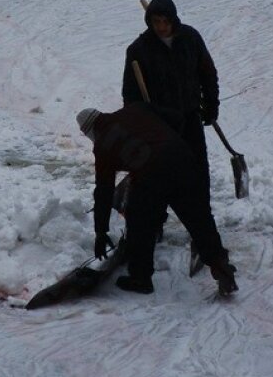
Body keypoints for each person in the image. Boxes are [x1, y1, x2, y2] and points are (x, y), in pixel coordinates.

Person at [76, 104, 237, 296]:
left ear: (89, 130)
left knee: (139, 220)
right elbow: (174, 115)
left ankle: (140, 278)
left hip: (152, 173)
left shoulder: (102, 145)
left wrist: (101, 231)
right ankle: (220, 266)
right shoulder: (132, 111)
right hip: (182, 156)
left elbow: (104, 191)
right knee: (197, 218)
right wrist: (168, 140)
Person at [122, 0, 219, 209]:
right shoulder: (139, 50)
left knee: (197, 171)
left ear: (174, 19)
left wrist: (211, 104)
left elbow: (207, 73)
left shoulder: (190, 39)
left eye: (166, 21)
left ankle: (202, 225)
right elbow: (130, 93)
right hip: (159, 124)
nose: (162, 27)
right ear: (150, 21)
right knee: (159, 174)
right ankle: (155, 222)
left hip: (189, 116)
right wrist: (138, 125)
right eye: (156, 22)